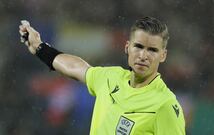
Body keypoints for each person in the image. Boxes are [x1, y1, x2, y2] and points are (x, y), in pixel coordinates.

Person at [19, 17, 185, 135]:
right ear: (127, 47)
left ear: (163, 55)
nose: (143, 55)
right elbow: (76, 67)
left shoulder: (165, 105)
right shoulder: (110, 77)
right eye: (138, 46)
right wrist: (39, 47)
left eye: (152, 50)